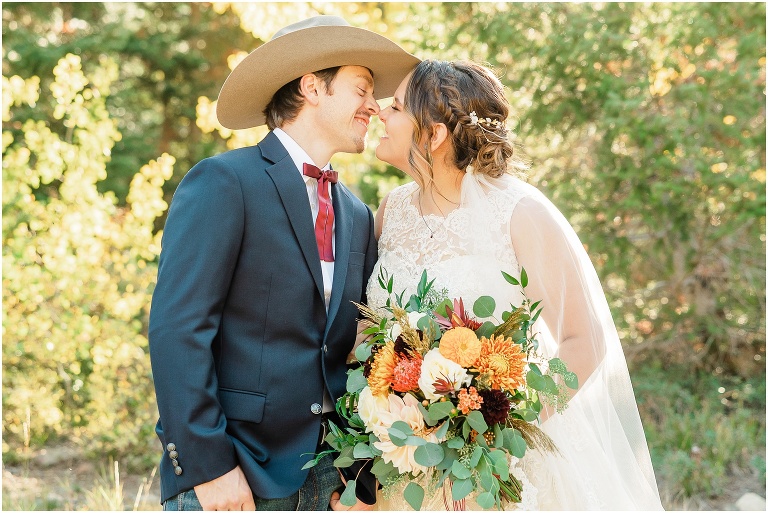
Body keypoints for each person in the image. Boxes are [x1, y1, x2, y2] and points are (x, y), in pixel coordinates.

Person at [366, 59, 664, 509]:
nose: (378, 114)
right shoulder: (391, 211)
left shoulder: (519, 213)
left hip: (500, 466)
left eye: (395, 107)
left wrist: (496, 438)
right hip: (404, 461)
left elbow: (584, 341)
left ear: (434, 134)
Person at [148, 15, 418, 511]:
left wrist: (361, 474)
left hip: (328, 481)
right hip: (234, 476)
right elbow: (177, 331)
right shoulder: (224, 182)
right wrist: (210, 468)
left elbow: (358, 350)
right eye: (360, 89)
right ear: (312, 87)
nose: (373, 107)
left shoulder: (357, 214)